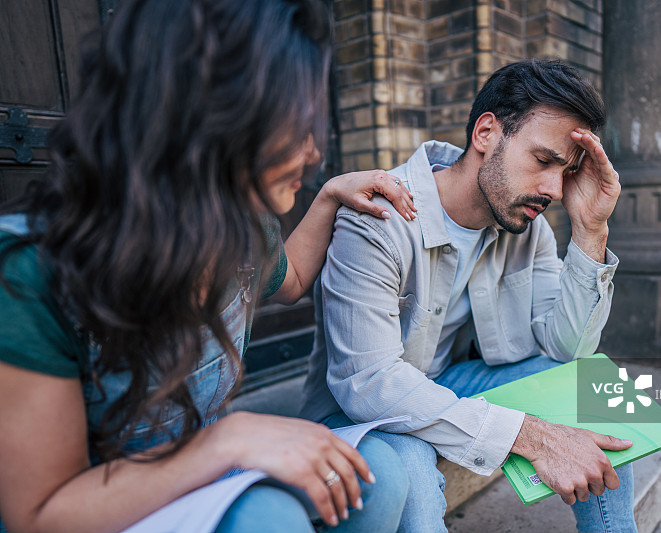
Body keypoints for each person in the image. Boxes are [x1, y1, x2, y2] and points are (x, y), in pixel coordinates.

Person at [0, 1, 414, 532]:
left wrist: (331, 196)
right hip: (101, 505)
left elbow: (290, 281)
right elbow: (40, 515)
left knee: (373, 476)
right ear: (212, 115)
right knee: (268, 519)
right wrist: (228, 439)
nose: (314, 153)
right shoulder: (30, 273)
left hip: (205, 474)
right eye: (295, 120)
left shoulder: (239, 224)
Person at [300, 59, 638, 531]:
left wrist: (591, 229)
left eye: (566, 172)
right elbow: (368, 383)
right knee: (412, 468)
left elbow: (568, 350)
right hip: (355, 414)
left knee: (594, 397)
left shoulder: (526, 225)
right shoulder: (376, 218)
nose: (554, 190)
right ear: (486, 134)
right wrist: (531, 437)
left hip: (449, 382)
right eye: (543, 162)